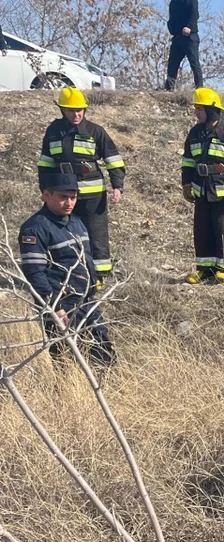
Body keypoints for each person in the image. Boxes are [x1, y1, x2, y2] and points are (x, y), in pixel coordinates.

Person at [18, 173, 115, 368]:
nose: (69, 203)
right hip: (60, 306)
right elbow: (35, 274)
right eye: (63, 197)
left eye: (73, 197)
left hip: (86, 302)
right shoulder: (34, 229)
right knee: (67, 363)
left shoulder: (76, 222)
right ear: (46, 195)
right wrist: (55, 307)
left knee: (104, 356)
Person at [36, 88, 126, 287]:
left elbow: (113, 160)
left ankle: (98, 276)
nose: (76, 114)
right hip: (64, 194)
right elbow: (45, 163)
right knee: (66, 233)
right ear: (62, 110)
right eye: (71, 111)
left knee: (96, 232)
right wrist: (45, 188)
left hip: (92, 194)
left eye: (80, 110)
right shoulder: (53, 131)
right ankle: (71, 271)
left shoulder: (95, 131)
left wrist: (117, 186)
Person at [180, 88, 224, 284]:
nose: (196, 113)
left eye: (199, 109)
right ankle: (205, 269)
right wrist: (186, 183)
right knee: (202, 232)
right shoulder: (195, 133)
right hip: (202, 192)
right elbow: (188, 161)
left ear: (211, 110)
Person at [164, 0, 203, 91]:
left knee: (194, 63)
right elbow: (172, 17)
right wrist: (171, 28)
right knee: (172, 64)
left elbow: (194, 13)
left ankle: (200, 88)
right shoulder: (173, 2)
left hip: (190, 36)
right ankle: (169, 88)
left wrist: (189, 26)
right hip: (177, 36)